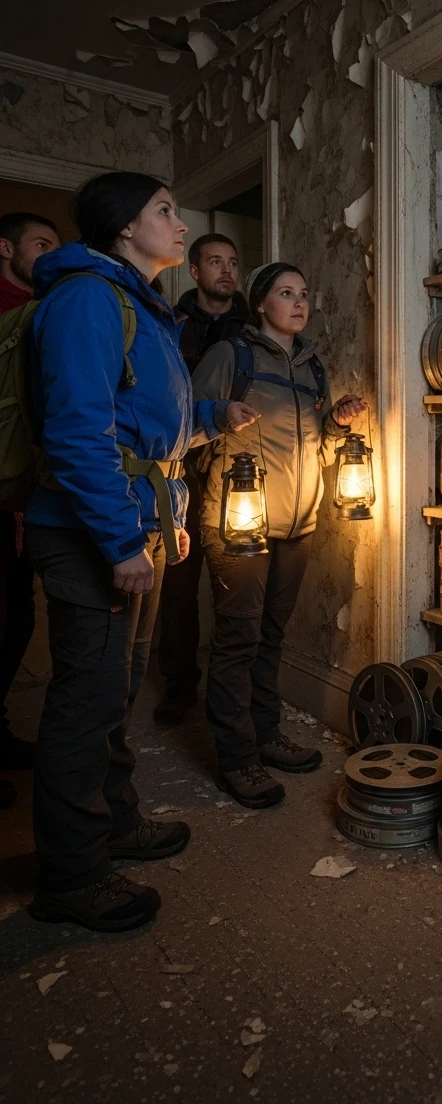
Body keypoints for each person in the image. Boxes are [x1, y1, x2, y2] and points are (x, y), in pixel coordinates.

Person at [24, 172, 258, 932]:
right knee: (85, 702)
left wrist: (214, 416)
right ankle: (72, 874)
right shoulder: (89, 299)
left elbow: (149, 431)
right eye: (165, 211)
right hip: (97, 533)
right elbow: (77, 433)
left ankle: (114, 823)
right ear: (124, 228)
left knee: (117, 689)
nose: (181, 224)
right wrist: (123, 539)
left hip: (140, 526)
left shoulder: (141, 308)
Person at [192, 262, 365, 808]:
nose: (299, 302)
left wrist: (335, 424)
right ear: (261, 304)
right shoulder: (232, 356)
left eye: (304, 293)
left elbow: (316, 445)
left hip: (299, 523)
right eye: (285, 293)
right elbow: (185, 425)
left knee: (271, 635)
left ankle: (266, 735)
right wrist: (219, 414)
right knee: (237, 639)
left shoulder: (313, 366)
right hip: (239, 526)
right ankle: (238, 757)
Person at [154, 233, 249, 725]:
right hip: (181, 474)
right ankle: (178, 684)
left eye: (233, 262)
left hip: (238, 478)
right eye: (215, 262)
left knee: (237, 583)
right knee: (177, 587)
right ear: (195, 270)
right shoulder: (169, 323)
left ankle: (234, 687)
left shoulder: (252, 327)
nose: (226, 271)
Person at [0, 212, 61, 809]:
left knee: (16, 618)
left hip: (21, 492)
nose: (50, 257)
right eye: (40, 245)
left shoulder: (48, 310)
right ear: (5, 247)